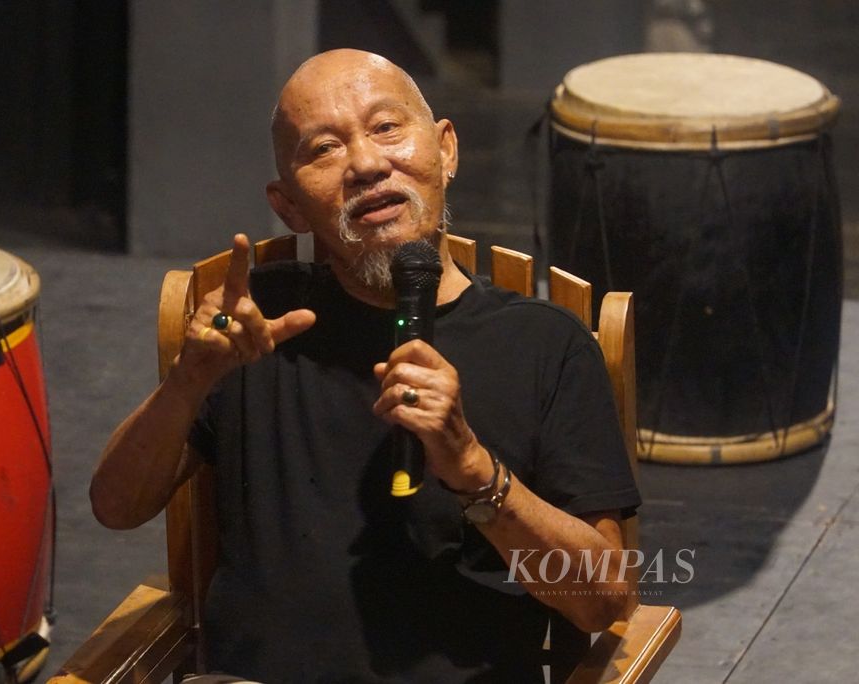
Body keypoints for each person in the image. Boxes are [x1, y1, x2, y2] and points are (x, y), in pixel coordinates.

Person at [90, 49, 640, 682]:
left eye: (386, 128)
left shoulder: (547, 345)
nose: (368, 165)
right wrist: (189, 379)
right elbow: (115, 505)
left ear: (446, 151)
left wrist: (474, 472)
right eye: (324, 148)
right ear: (289, 206)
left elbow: (604, 600)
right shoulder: (255, 325)